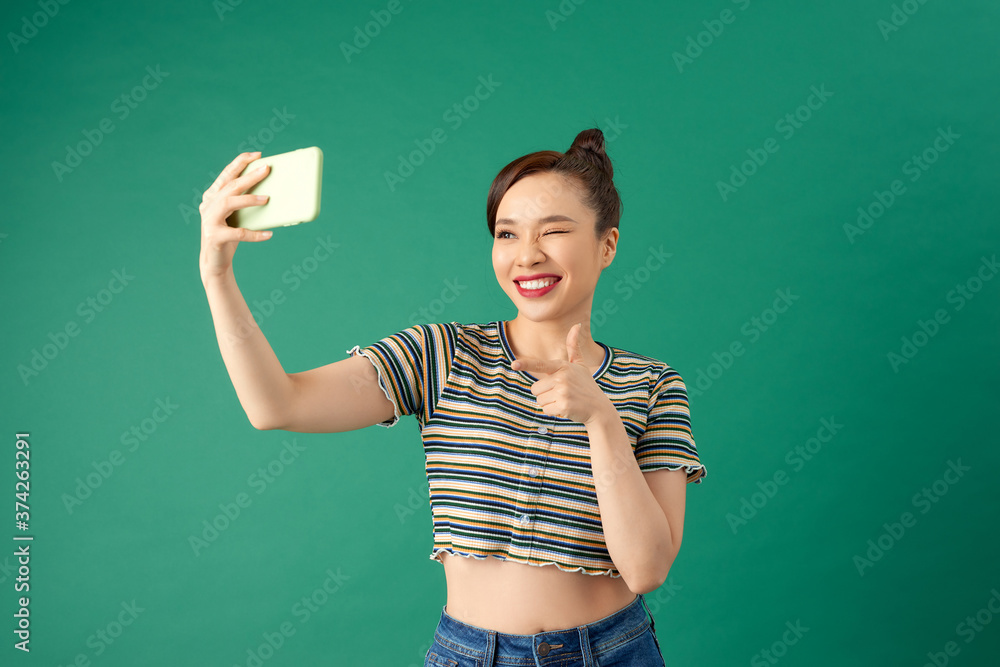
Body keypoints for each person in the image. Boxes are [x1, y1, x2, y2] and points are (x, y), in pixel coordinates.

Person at [199, 128, 706, 666]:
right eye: (506, 235)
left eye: (553, 231)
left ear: (607, 244)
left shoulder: (652, 384)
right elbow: (277, 404)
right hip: (469, 654)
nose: (527, 256)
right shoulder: (441, 355)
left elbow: (647, 569)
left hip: (610, 653)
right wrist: (217, 273)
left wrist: (600, 417)